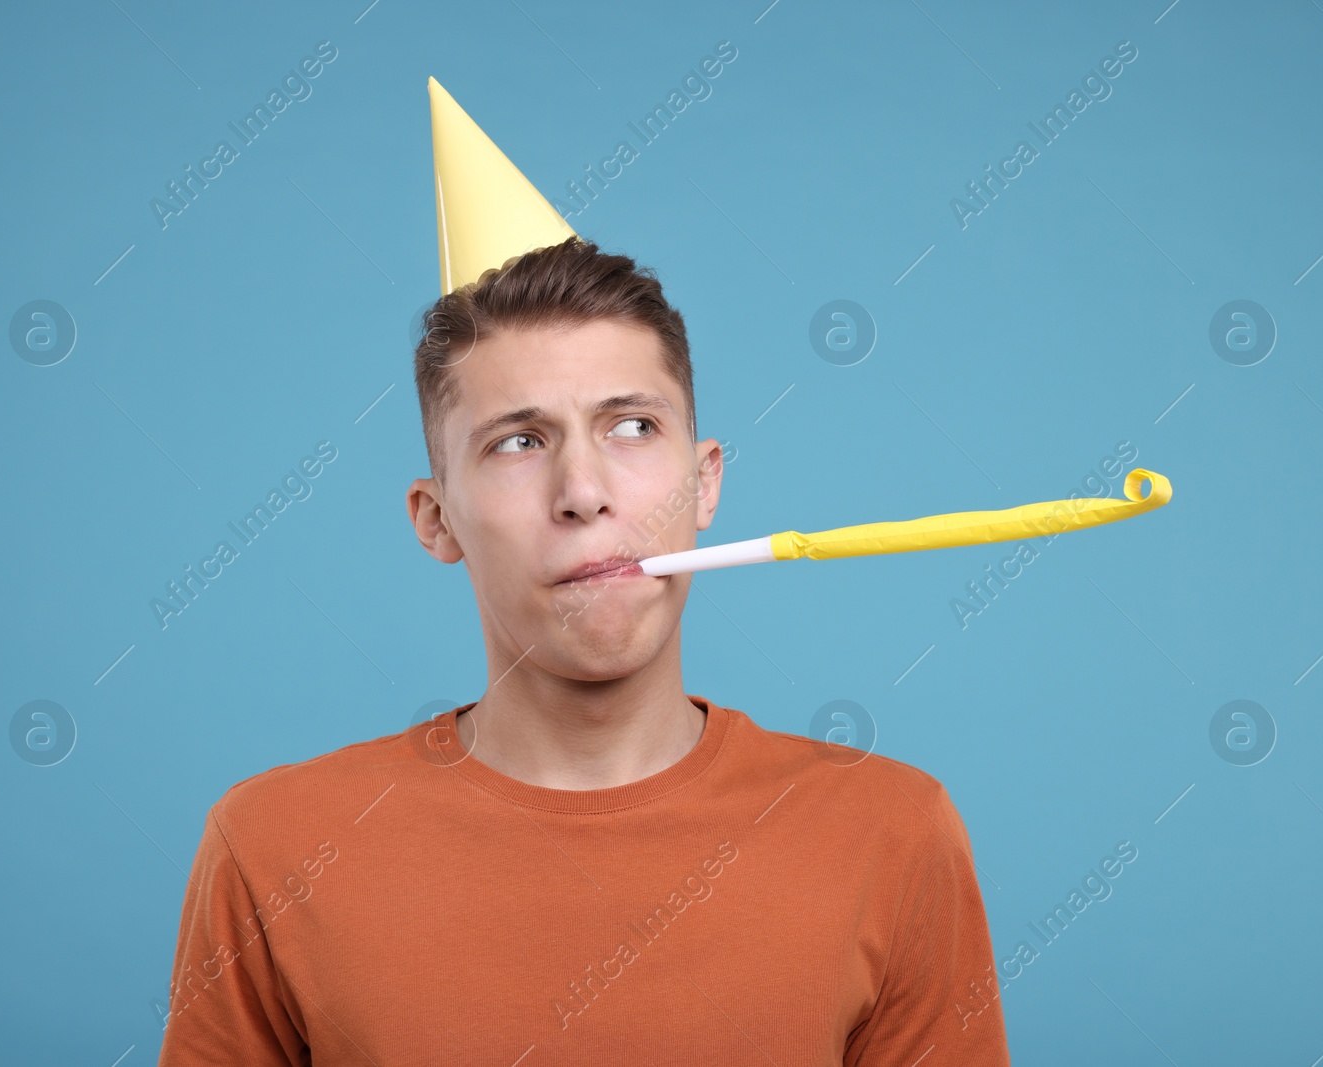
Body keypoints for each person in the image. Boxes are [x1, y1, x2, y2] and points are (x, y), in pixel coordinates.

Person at [155, 79, 1009, 1067]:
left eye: (632, 426)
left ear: (703, 483)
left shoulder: (891, 834)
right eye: (519, 441)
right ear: (437, 521)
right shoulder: (272, 846)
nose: (583, 490)